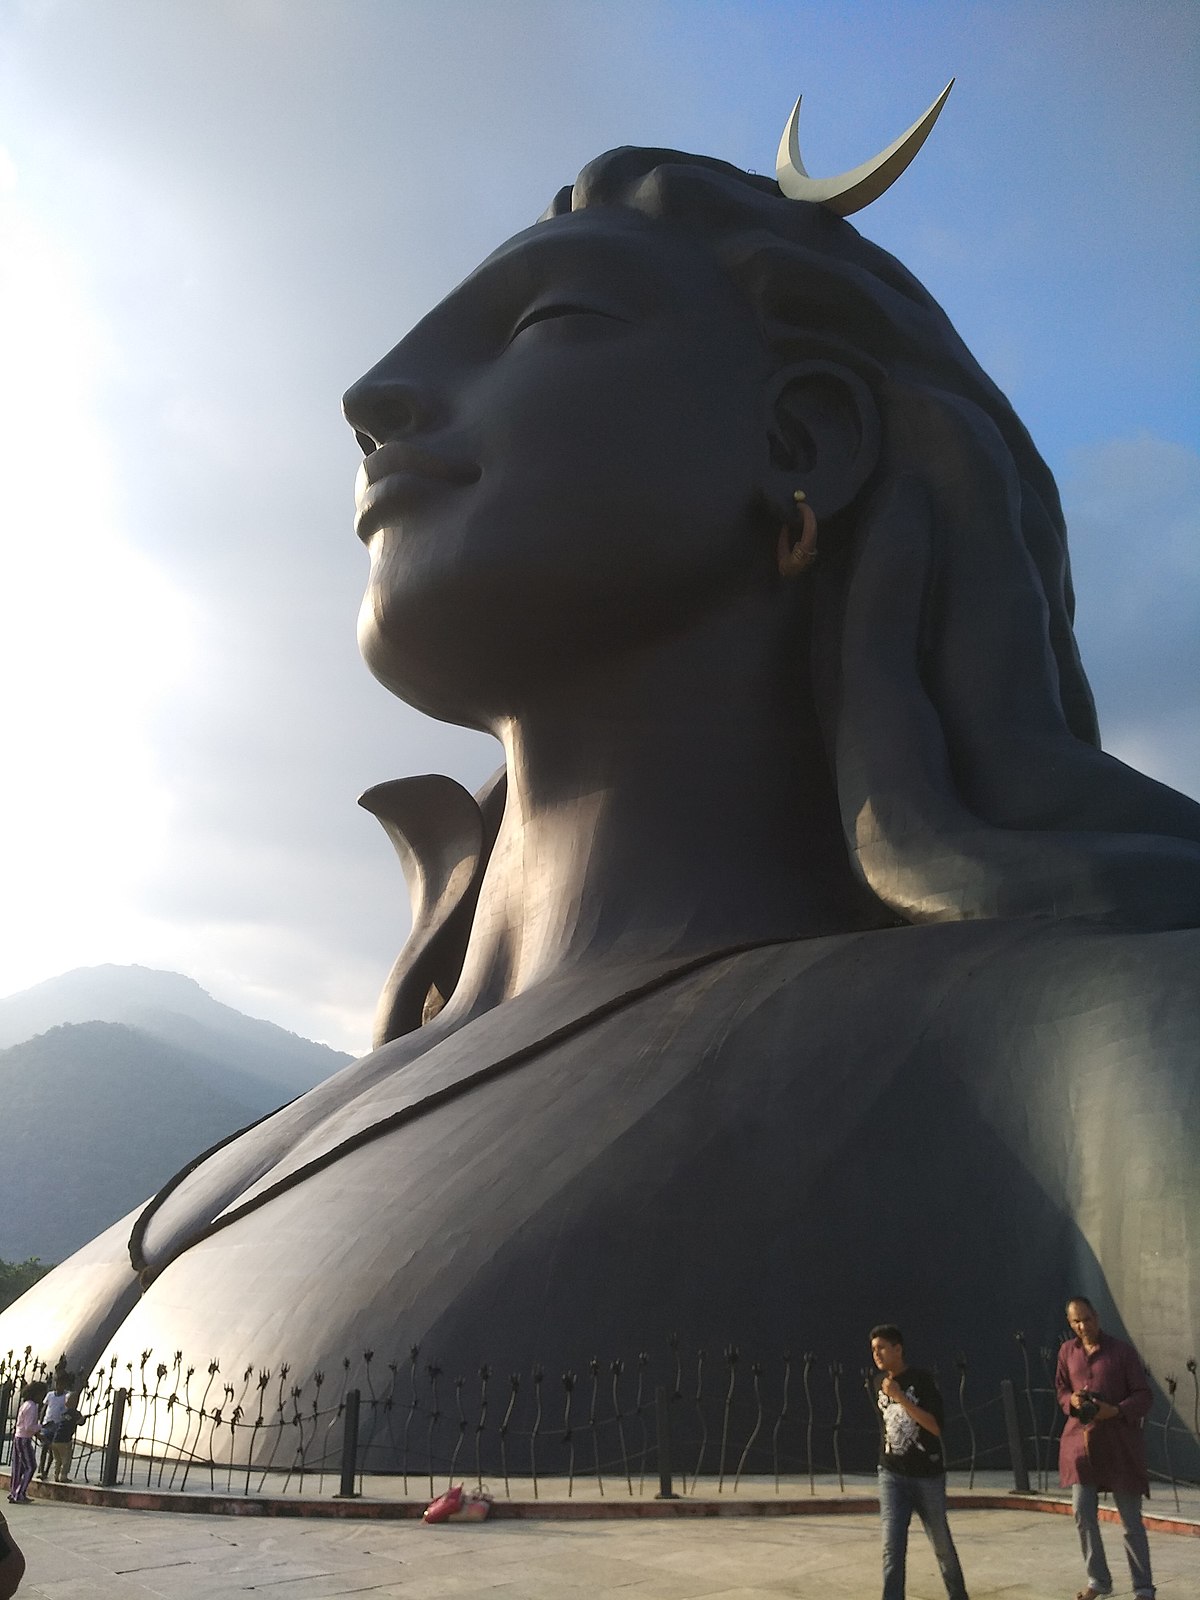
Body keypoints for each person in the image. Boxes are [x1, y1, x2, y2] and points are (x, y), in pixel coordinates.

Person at [0, 131, 1196, 1459]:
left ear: (805, 436)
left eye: (550, 320)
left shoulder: (1096, 1051)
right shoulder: (329, 1110)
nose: (376, 393)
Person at [1055, 1296, 1155, 1600]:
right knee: (1083, 1513)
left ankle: (1143, 1589)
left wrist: (1115, 1411)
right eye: (1076, 1321)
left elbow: (1143, 1396)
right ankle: (1098, 1581)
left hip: (1119, 1446)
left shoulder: (1121, 1352)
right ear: (1070, 1323)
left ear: (1097, 1316)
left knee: (1130, 1521)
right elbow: (1061, 1390)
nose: (1083, 1326)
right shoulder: (1066, 1352)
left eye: (1087, 1318)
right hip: (1080, 1445)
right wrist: (1071, 1401)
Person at [870, 1324, 968, 1600]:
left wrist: (900, 1396)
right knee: (892, 1547)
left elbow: (935, 1427)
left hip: (927, 1475)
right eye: (873, 1350)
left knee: (941, 1545)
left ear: (898, 1349)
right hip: (891, 1475)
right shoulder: (876, 1383)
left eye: (882, 1348)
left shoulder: (922, 1381)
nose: (877, 1354)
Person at [6, 1382, 45, 1505]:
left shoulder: (25, 1405)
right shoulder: (32, 1406)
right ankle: (20, 1493)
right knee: (30, 1466)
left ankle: (14, 1492)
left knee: (18, 1467)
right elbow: (29, 1427)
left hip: (18, 1437)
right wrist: (41, 1426)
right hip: (24, 1439)